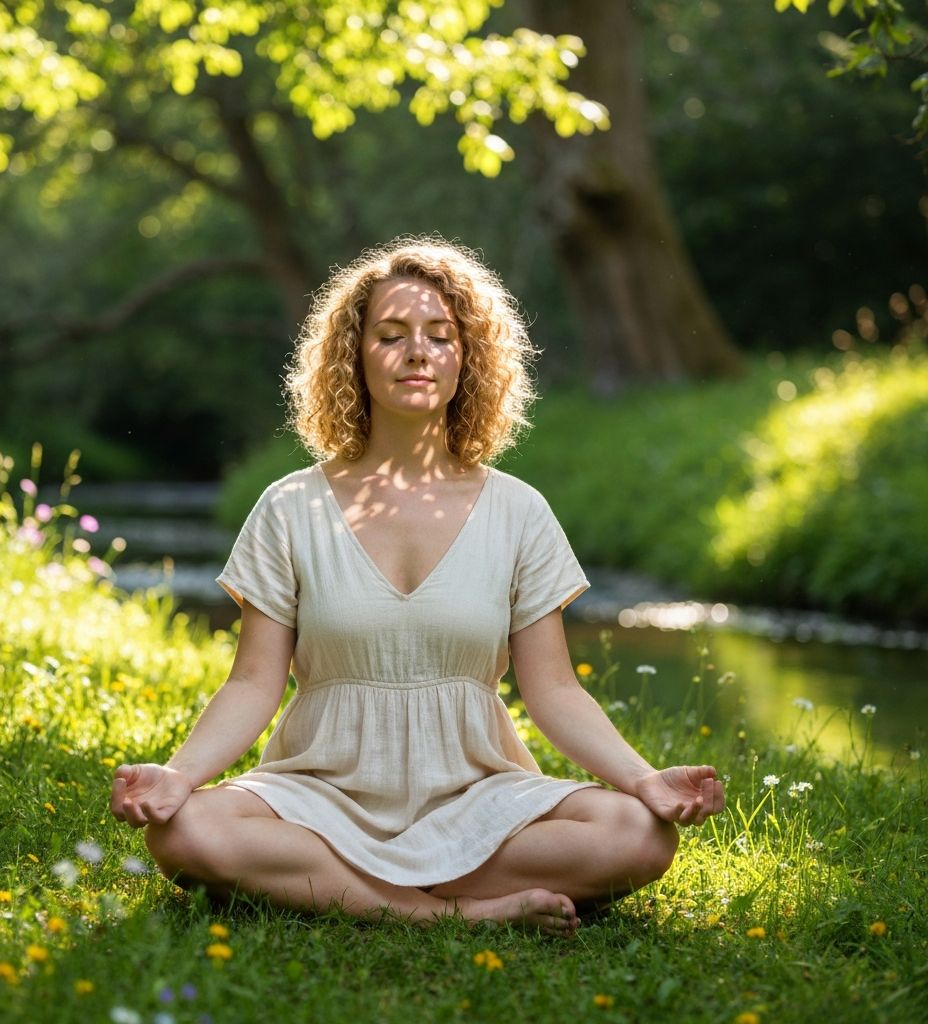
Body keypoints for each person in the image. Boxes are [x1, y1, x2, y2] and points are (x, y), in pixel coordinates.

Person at [110, 236, 725, 935]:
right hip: (319, 799)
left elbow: (553, 691)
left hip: (476, 798)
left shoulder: (519, 510)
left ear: (468, 357)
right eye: (391, 335)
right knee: (183, 833)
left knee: (637, 835)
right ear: (354, 355)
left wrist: (643, 780)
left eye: (440, 335)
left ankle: (349, 891)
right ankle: (441, 916)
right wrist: (179, 777)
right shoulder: (290, 507)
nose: (417, 352)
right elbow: (253, 684)